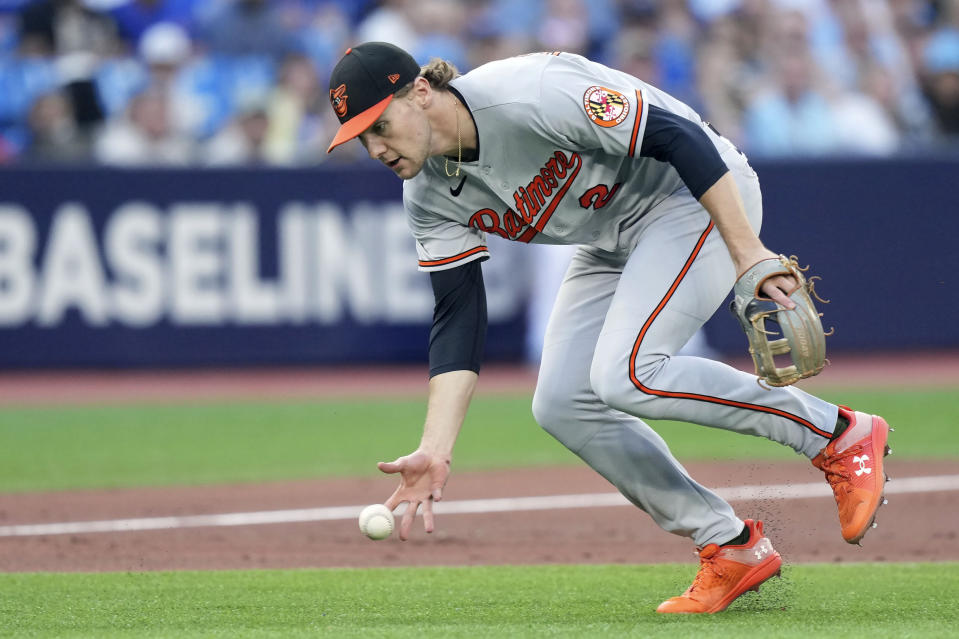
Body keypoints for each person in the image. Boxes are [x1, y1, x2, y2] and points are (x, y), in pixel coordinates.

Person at [326, 42, 891, 614]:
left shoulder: (530, 92)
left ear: (420, 91)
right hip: (612, 238)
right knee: (562, 404)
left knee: (628, 374)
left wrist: (747, 252)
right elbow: (458, 312)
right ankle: (727, 544)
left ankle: (835, 434)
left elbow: (678, 136)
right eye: (360, 138)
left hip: (691, 195)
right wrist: (435, 448)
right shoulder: (426, 194)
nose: (375, 147)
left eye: (380, 124)